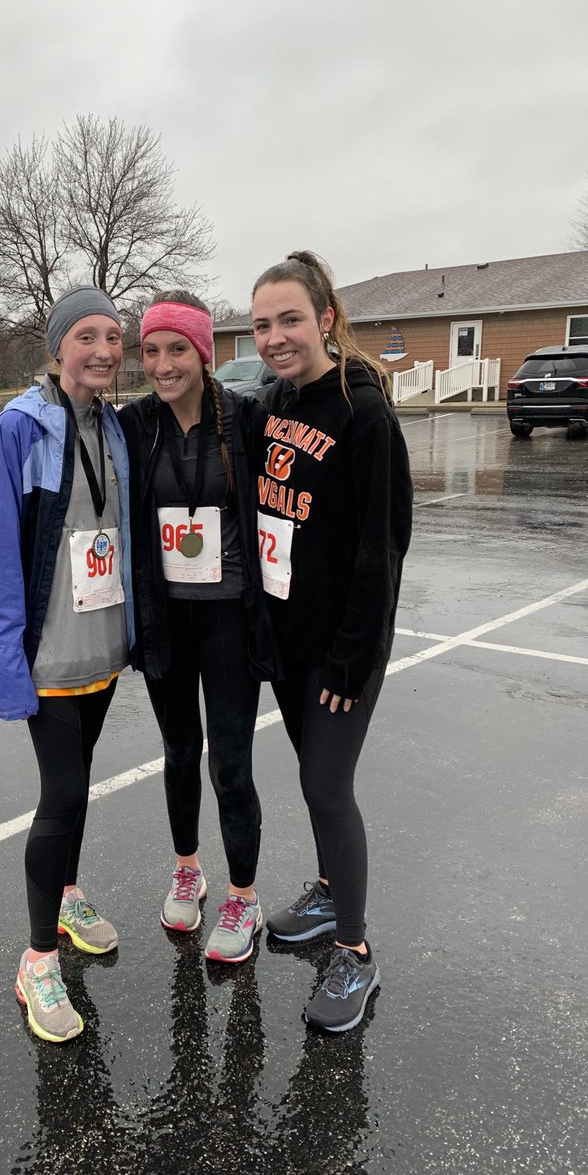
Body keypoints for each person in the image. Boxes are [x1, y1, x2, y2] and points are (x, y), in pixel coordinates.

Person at [0, 286, 134, 1043]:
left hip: (103, 652)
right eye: (86, 336)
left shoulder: (115, 427)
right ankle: (36, 959)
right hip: (50, 657)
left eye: (113, 337)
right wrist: (4, 660)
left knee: (79, 787)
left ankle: (65, 894)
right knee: (59, 797)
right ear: (58, 347)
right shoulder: (21, 427)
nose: (102, 349)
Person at [251, 251, 412, 1031]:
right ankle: (326, 891)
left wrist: (354, 655)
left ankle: (355, 952)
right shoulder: (279, 398)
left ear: (325, 319)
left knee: (326, 786)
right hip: (289, 637)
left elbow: (381, 548)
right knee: (310, 776)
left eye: (289, 320)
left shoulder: (364, 413)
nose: (276, 337)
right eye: (262, 324)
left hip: (341, 648)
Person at [118, 292, 280, 964]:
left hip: (231, 619)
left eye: (176, 349)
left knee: (232, 765)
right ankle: (188, 868)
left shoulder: (245, 418)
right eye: (151, 351)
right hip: (167, 619)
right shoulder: (135, 426)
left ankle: (243, 895)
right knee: (180, 753)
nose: (163, 364)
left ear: (203, 353)